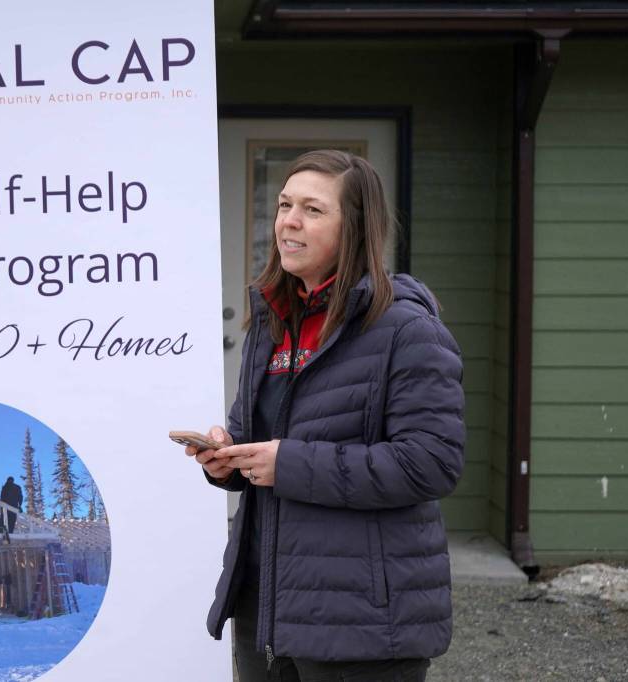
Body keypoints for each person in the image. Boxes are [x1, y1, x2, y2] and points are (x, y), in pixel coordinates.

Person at [189, 150, 465, 682]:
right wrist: (225, 456)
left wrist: (287, 463)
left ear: (355, 229)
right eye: (285, 205)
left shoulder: (407, 331)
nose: (288, 221)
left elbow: (431, 463)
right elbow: (261, 441)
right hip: (266, 606)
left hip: (362, 622)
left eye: (312, 210)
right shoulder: (270, 324)